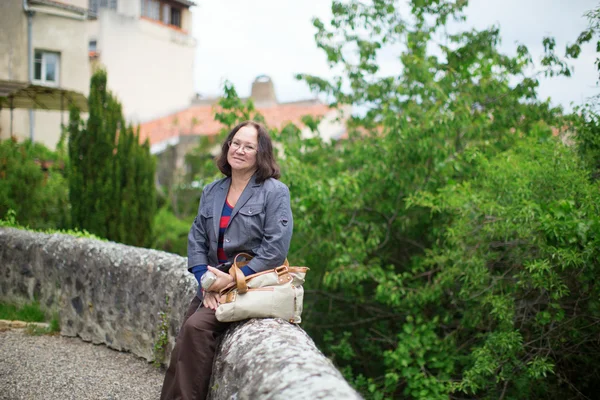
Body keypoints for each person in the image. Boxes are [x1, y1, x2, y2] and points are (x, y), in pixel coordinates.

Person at [160, 120, 294, 400]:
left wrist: (231, 280)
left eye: (249, 146)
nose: (240, 150)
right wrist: (206, 281)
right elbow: (196, 237)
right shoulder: (212, 191)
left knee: (196, 329)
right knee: (185, 334)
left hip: (250, 284)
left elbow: (275, 250)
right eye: (236, 143)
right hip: (213, 282)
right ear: (227, 146)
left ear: (261, 154)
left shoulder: (274, 192)